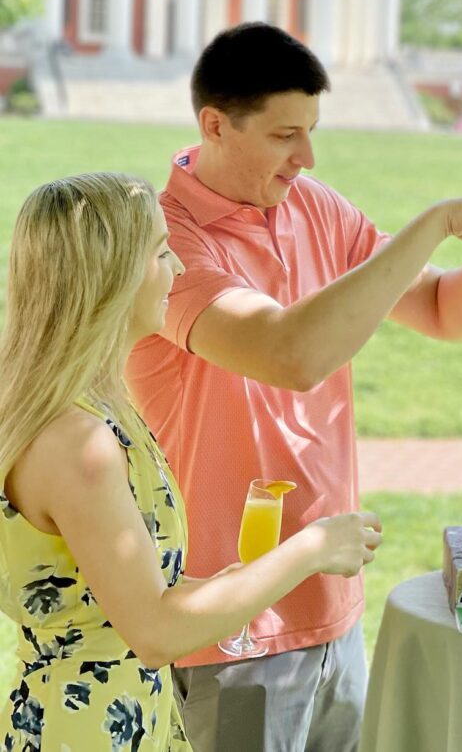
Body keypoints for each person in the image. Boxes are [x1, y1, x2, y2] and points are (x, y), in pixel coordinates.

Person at [126, 23, 462, 752]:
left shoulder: (315, 208)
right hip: (230, 618)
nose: (307, 158)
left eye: (313, 132)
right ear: (214, 125)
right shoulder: (164, 242)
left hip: (330, 591)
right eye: (284, 135)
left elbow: (441, 314)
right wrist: (431, 225)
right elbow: (288, 354)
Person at [0, 173, 384, 751]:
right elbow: (154, 631)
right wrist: (310, 550)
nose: (178, 268)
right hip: (92, 732)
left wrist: (229, 584)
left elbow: (113, 595)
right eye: (160, 251)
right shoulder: (78, 442)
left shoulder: (87, 404)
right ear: (111, 276)